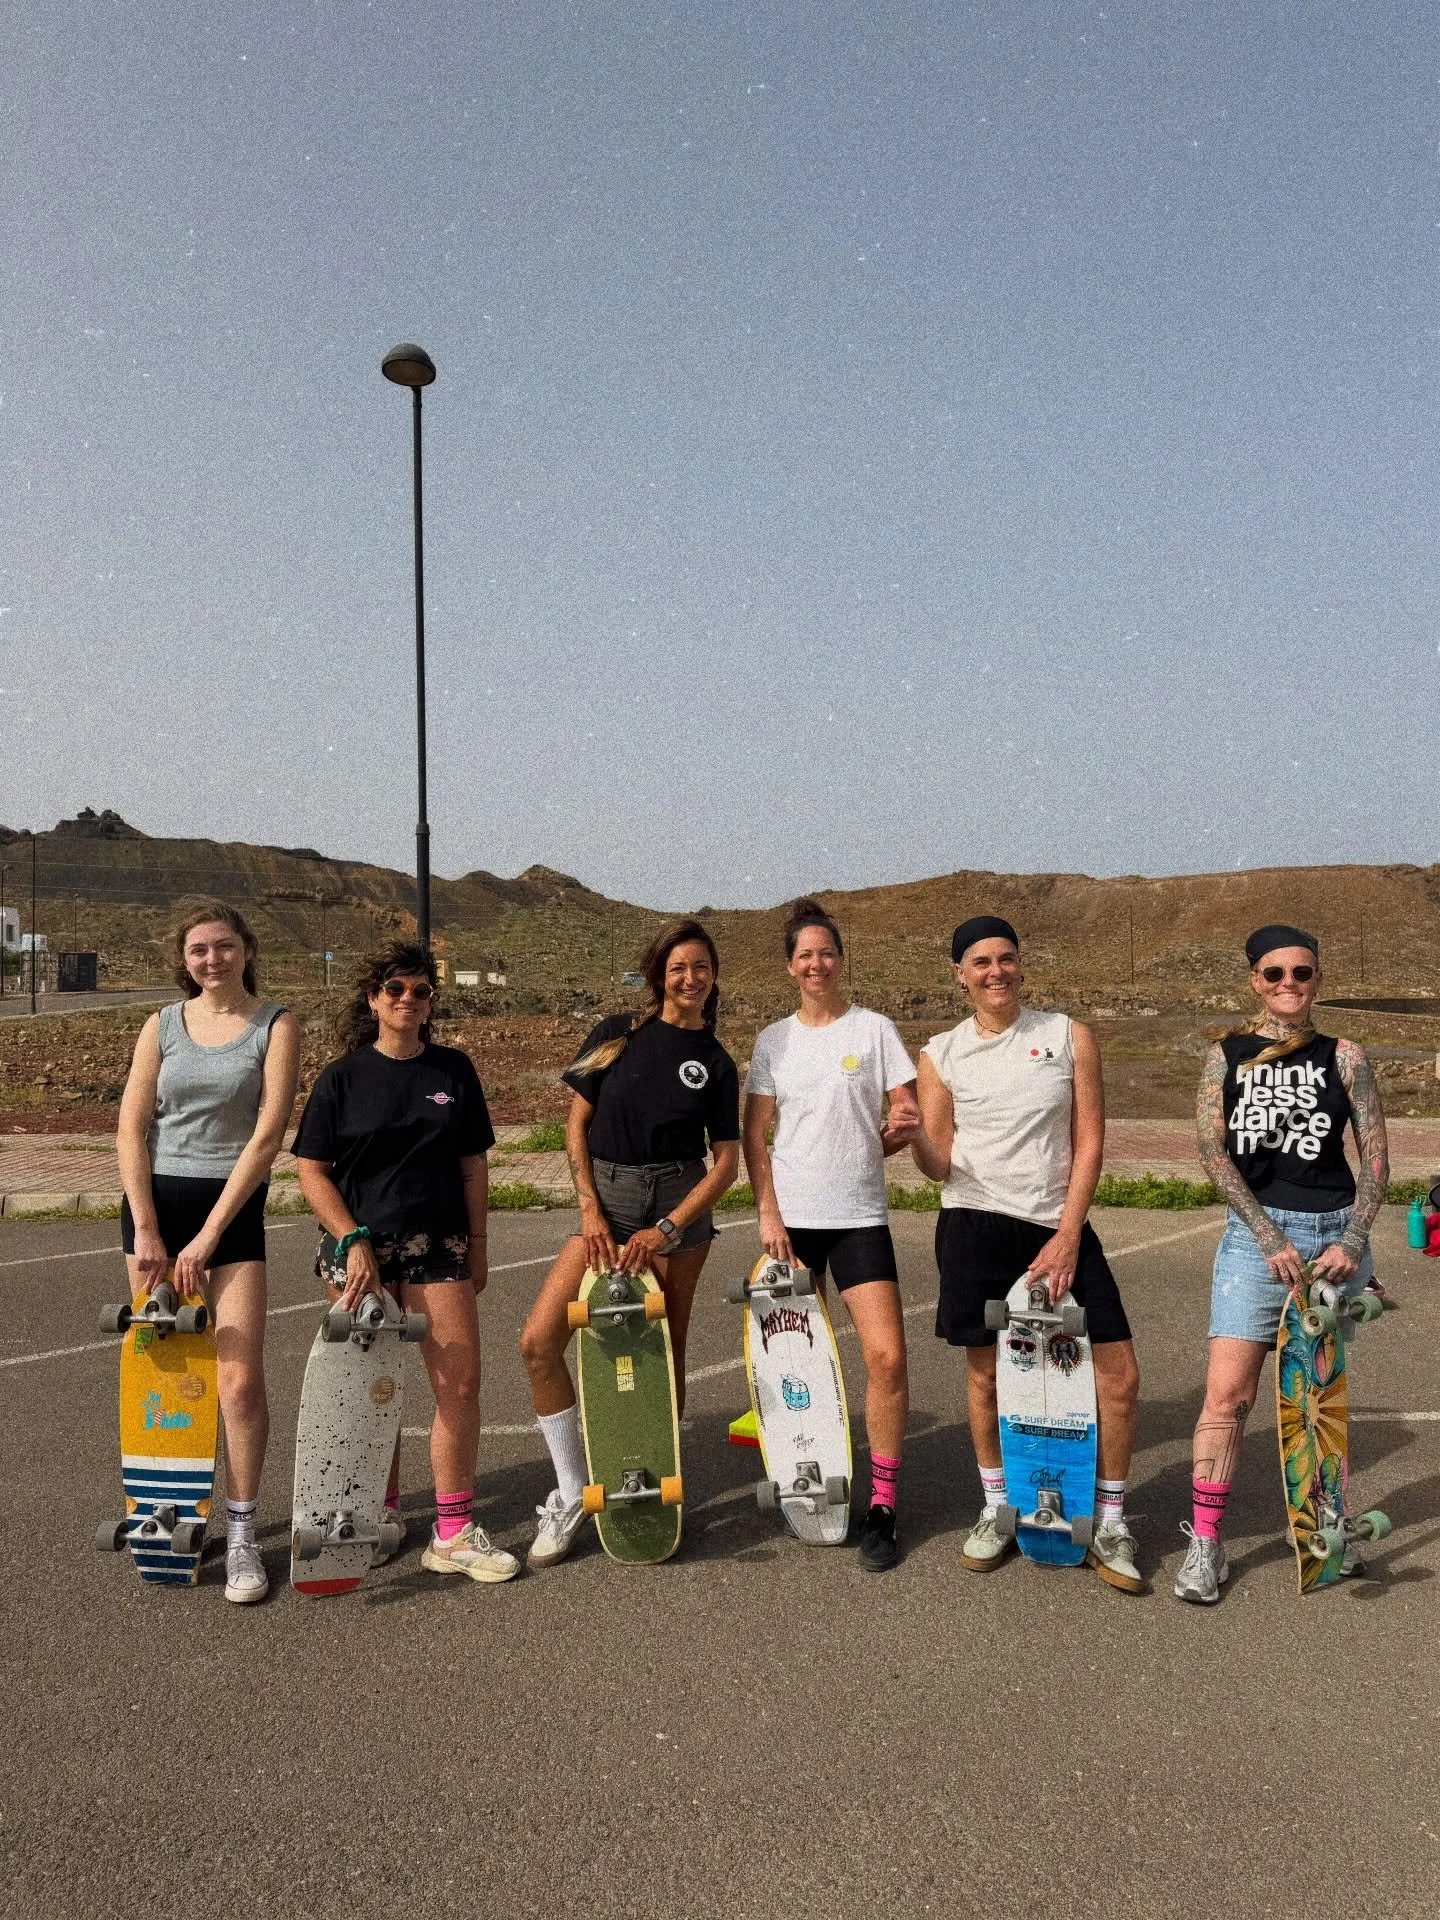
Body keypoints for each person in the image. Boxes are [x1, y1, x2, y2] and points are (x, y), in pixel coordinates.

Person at [911, 916, 1143, 1593]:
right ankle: (996, 1508)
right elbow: (938, 1161)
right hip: (973, 1227)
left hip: (1054, 1227)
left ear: (1021, 964)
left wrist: (1069, 1233)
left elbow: (1090, 1141)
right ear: (960, 975)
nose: (995, 972)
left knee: (1119, 1376)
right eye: (980, 962)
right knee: (987, 1379)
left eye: (1006, 959)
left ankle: (1109, 1522)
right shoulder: (940, 1052)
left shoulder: (1066, 1036)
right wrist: (909, 1140)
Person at [293, 941, 519, 1585]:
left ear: (430, 1003)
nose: (408, 1000)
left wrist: (478, 1246)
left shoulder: (452, 1070)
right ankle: (379, 1514)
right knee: (368, 1393)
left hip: (437, 1245)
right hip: (357, 1252)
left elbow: (473, 1166)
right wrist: (351, 1239)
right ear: (373, 1000)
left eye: (420, 991)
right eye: (395, 989)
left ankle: (451, 1532)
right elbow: (312, 1171)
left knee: (459, 1384)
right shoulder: (342, 1077)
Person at [1175, 924, 1389, 1604]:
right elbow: (1212, 1151)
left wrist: (1353, 1241)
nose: (1289, 984)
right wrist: (1267, 1235)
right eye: (1275, 974)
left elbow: (1377, 1159)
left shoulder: (1345, 1056)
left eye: (1302, 972)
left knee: (1315, 1400)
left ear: (1318, 980)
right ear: (1254, 982)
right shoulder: (1227, 1056)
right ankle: (1205, 1545)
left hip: (1332, 1244)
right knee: (1228, 1396)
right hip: (1256, 1242)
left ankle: (1328, 1527)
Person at [519, 919, 740, 1569]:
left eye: (701, 967)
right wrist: (590, 1209)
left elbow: (725, 1162)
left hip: (678, 1206)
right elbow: (575, 1124)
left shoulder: (719, 1063)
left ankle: (653, 1488)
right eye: (679, 967)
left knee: (661, 1355)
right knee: (538, 1342)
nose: (690, 978)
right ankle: (569, 1490)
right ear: (659, 974)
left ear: (713, 977)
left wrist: (667, 1228)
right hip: (606, 1201)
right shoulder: (613, 1033)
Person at [116, 900, 300, 1604]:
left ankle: (245, 1531)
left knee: (239, 1383)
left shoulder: (275, 1026)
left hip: (229, 1215)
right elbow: (131, 1130)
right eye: (199, 950)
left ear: (247, 950)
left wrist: (209, 1234)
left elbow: (267, 1135)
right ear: (184, 959)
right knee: (167, 1384)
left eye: (223, 947)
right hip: (154, 1215)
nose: (212, 960)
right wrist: (148, 1229)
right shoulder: (160, 1026)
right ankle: (171, 1523)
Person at [742, 899, 921, 1573]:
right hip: (790, 1224)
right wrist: (767, 1213)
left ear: (841, 960)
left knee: (887, 1359)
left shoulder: (874, 1029)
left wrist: (902, 1122)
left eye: (826, 952)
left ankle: (882, 1505)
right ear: (791, 967)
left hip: (858, 1217)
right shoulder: (772, 1041)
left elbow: (904, 1104)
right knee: (796, 1367)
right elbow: (754, 1136)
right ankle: (810, 1476)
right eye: (804, 955)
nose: (817, 963)